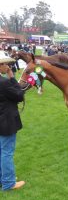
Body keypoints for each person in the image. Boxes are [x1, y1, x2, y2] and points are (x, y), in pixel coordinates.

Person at [0, 58, 25, 191]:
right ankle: (9, 183)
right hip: (6, 121)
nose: (8, 67)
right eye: (5, 64)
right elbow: (19, 95)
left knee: (1, 151)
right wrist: (12, 78)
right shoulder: (4, 83)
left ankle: (3, 179)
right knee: (6, 152)